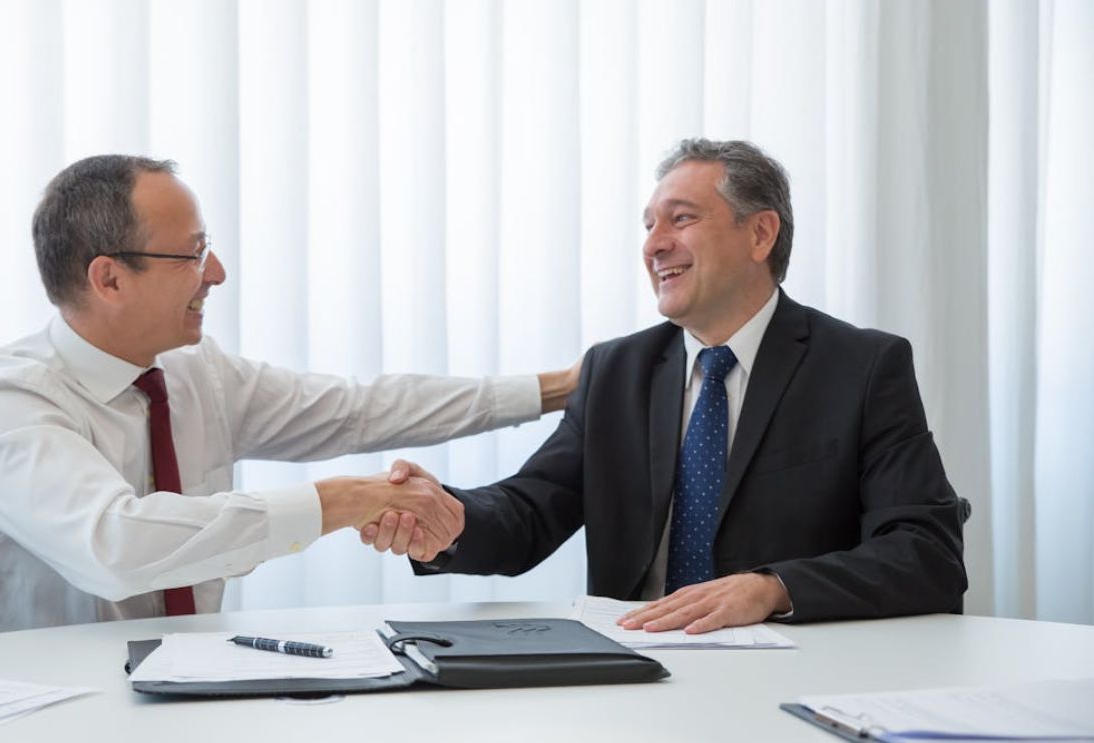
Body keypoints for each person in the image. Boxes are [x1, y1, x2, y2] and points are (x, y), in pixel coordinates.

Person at [0, 155, 579, 639]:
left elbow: (359, 409)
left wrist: (565, 387)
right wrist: (343, 501)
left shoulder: (194, 373)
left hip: (185, 694)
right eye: (192, 253)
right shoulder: (1, 402)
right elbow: (117, 545)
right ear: (109, 278)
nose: (216, 273)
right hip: (31, 714)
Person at [366, 138, 967, 633]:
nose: (654, 244)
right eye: (650, 225)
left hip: (794, 668)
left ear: (761, 235)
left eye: (681, 219)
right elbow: (529, 512)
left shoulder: (861, 366)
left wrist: (773, 589)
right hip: (636, 665)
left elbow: (925, 553)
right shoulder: (615, 370)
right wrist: (447, 517)